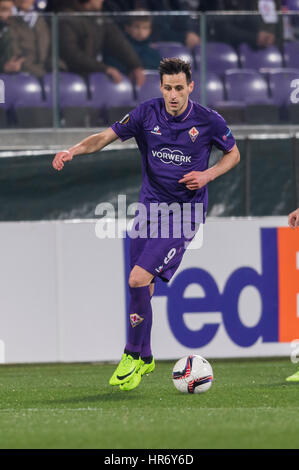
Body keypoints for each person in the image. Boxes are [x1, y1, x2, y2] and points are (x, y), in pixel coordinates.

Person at [52, 58, 240, 391]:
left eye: (179, 88)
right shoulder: (145, 114)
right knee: (142, 288)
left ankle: (131, 354)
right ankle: (147, 357)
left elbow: (233, 154)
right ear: (161, 87)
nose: (173, 95)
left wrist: (207, 174)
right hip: (148, 212)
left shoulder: (209, 121)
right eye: (167, 88)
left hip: (184, 214)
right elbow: (104, 137)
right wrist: (73, 150)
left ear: (190, 87)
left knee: (138, 279)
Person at [59, 0, 145, 86]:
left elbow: (118, 42)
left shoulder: (98, 17)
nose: (102, 0)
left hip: (90, 75)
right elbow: (71, 53)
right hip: (67, 75)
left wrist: (135, 65)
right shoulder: (66, 18)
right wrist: (104, 69)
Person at [10, 0, 51, 77]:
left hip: (42, 68)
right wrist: (41, 72)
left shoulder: (40, 19)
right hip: (23, 70)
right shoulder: (10, 19)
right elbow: (15, 54)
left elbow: (49, 50)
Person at [0, 0, 25, 73]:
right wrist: (3, 66)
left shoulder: (16, 28)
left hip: (16, 76)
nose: (10, 14)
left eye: (11, 10)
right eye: (4, 10)